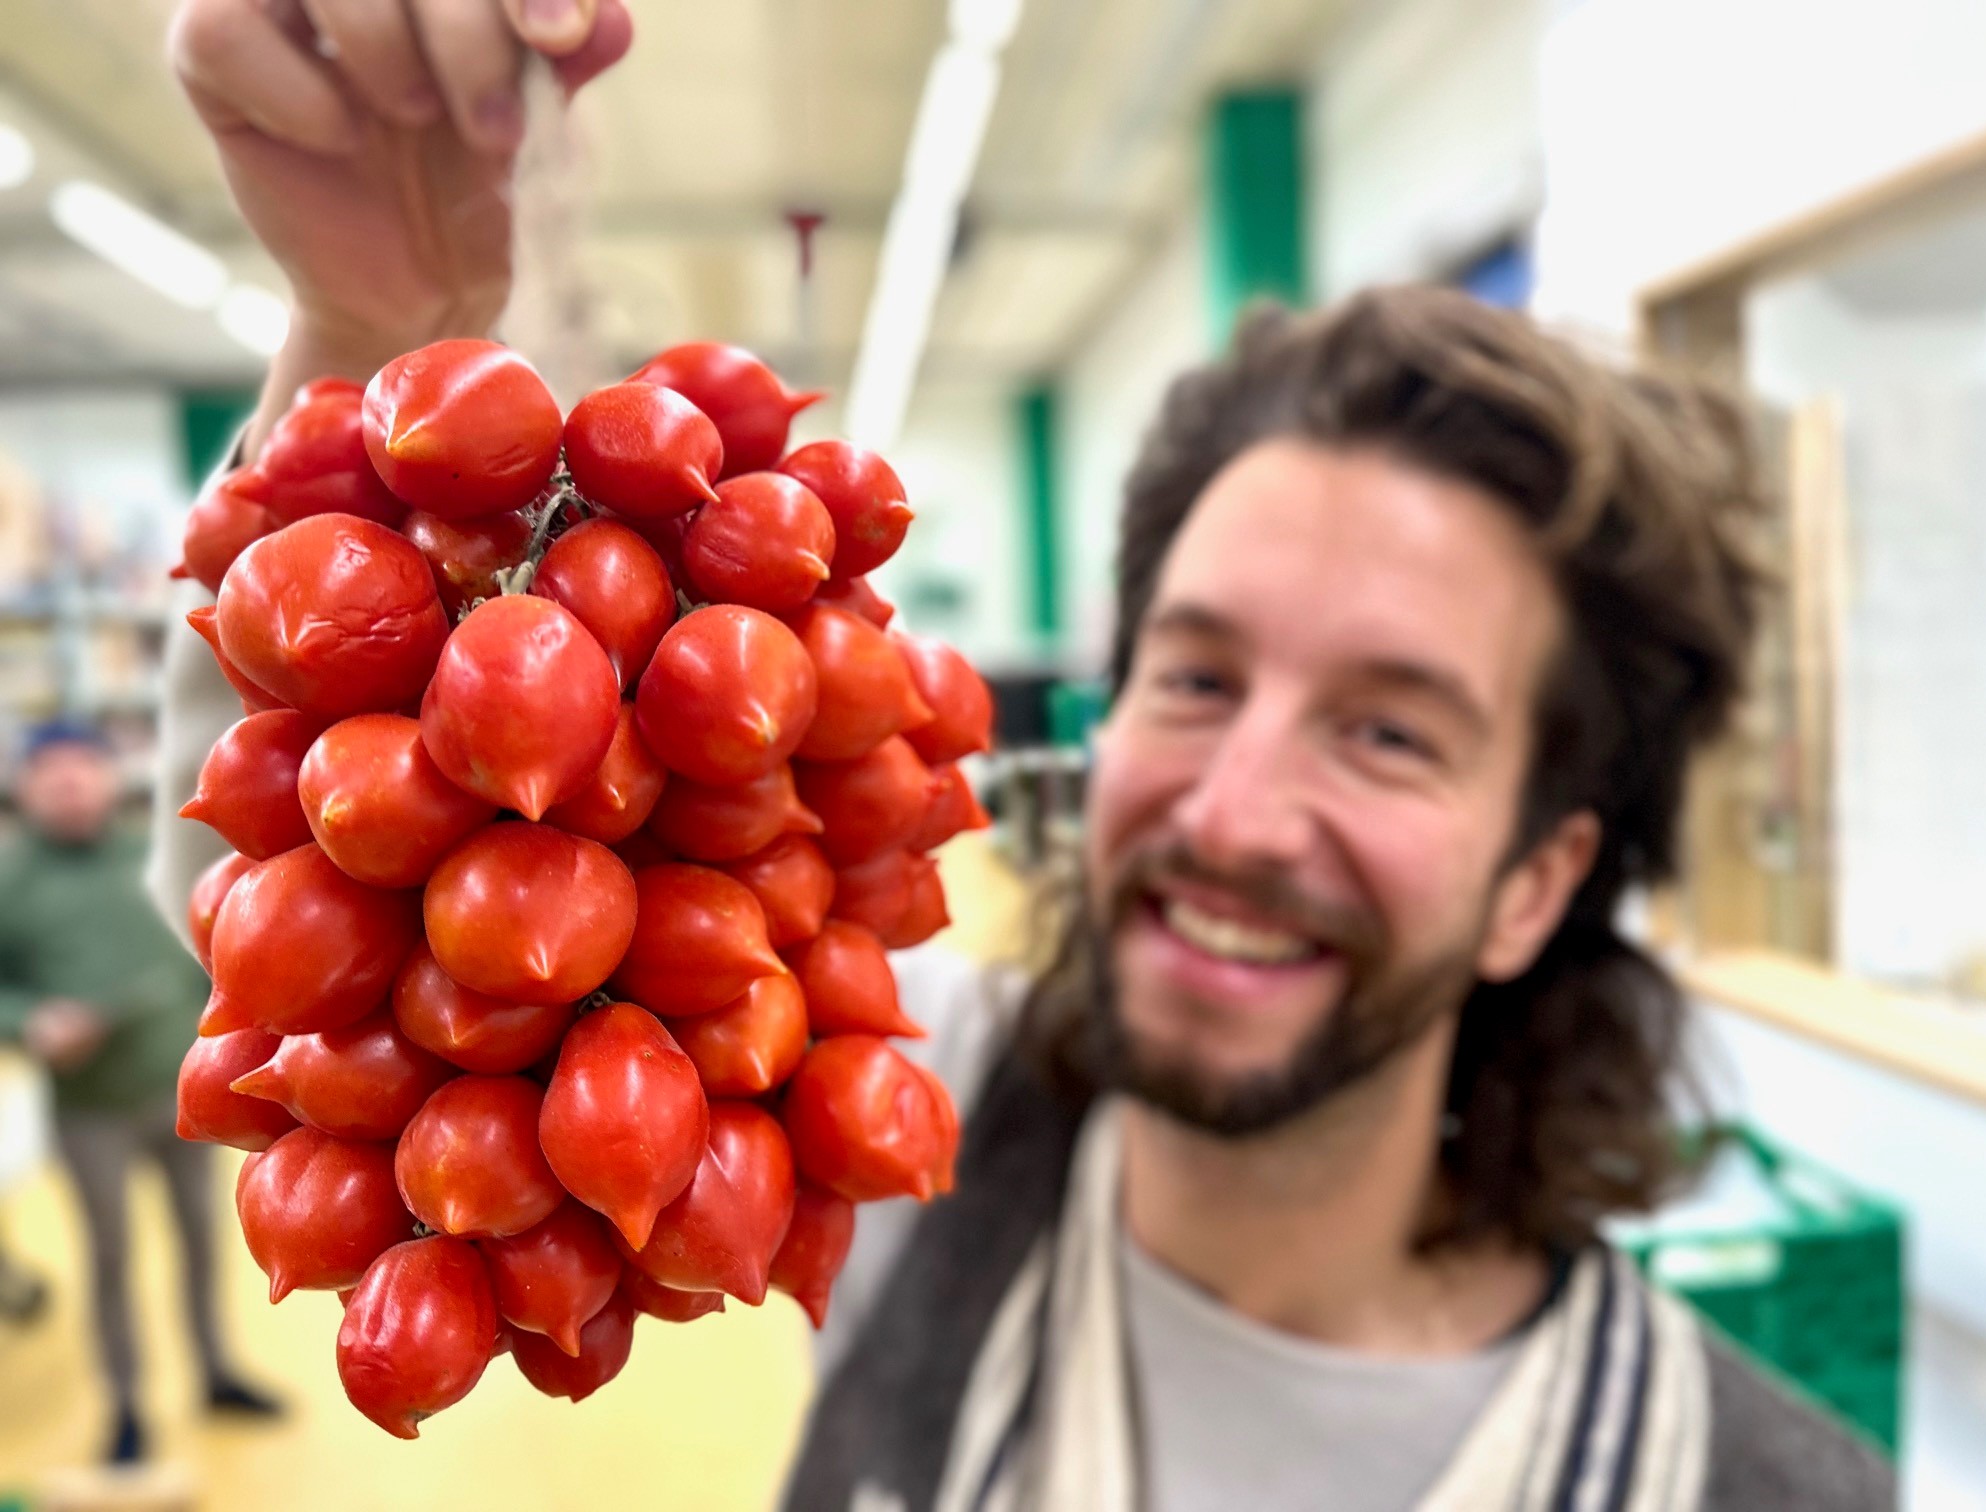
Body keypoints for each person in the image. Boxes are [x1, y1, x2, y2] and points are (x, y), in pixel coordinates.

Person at [159, 3, 1894, 1507]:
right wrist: (389, 337)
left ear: (1540, 879)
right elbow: (311, 930)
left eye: (1386, 729)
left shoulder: (1766, 1488)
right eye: (1195, 678)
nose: (1230, 806)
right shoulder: (907, 1124)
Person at [0, 722, 279, 1464]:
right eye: (50, 772)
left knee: (202, 1240)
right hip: (88, 1111)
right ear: (25, 788)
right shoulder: (10, 880)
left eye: (81, 768)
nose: (68, 784)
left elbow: (214, 956)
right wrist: (32, 1021)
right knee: (111, 1258)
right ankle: (125, 1407)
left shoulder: (159, 858)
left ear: (106, 775)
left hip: (182, 1099)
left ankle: (215, 1371)